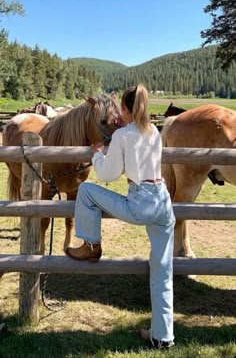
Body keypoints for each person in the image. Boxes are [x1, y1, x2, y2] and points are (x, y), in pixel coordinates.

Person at [66, 84, 175, 350]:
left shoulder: (123, 135)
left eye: (120, 110)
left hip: (140, 202)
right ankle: (163, 337)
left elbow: (106, 175)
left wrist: (97, 155)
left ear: (124, 109)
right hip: (162, 202)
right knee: (162, 272)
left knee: (85, 190)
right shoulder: (154, 132)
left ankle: (91, 246)